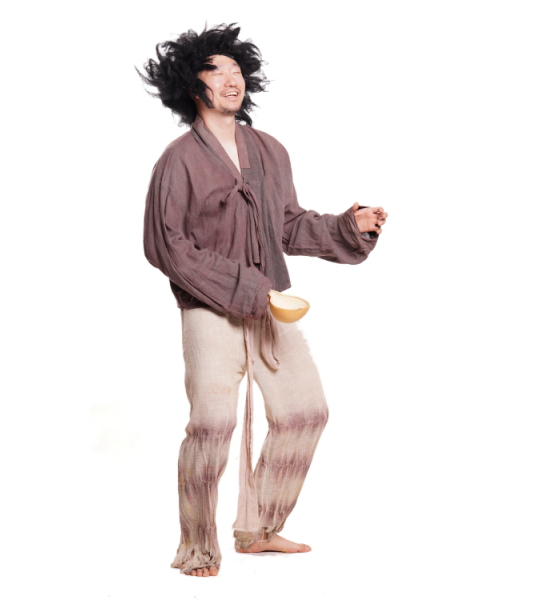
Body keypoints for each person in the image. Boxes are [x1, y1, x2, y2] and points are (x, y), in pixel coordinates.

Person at [138, 23, 387, 577]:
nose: (232, 80)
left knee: (306, 411)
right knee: (211, 425)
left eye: (237, 70)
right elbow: (167, 246)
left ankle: (259, 530)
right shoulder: (177, 160)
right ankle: (198, 548)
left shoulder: (270, 151)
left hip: (268, 305)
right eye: (217, 71)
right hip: (210, 307)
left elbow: (288, 226)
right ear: (191, 85)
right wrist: (245, 286)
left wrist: (349, 227)